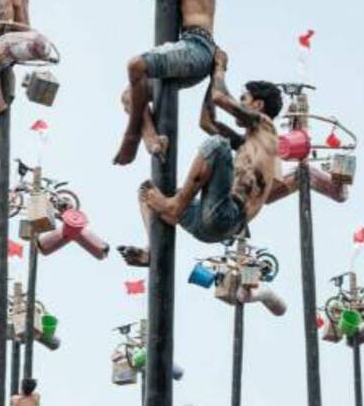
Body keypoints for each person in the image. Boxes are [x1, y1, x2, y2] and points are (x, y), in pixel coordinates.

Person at [119, 72, 282, 266]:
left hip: (230, 215)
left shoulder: (266, 125)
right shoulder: (247, 144)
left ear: (258, 105)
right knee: (148, 191)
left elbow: (220, 98)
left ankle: (175, 205)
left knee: (218, 145)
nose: (240, 103)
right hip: (209, 222)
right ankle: (151, 252)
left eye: (244, 99)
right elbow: (206, 122)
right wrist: (212, 77)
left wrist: (220, 68)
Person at [114, 0, 224, 165]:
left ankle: (133, 135)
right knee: (129, 96)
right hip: (190, 50)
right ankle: (153, 140)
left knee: (135, 65)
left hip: (197, 48)